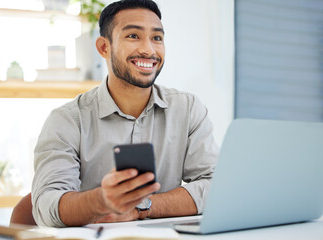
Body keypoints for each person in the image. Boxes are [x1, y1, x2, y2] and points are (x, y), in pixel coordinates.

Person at [32, 0, 218, 227]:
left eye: (157, 38)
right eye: (133, 36)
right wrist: (101, 200)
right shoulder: (67, 120)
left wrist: (144, 207)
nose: (148, 50)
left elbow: (216, 187)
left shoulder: (188, 109)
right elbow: (45, 206)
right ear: (104, 47)